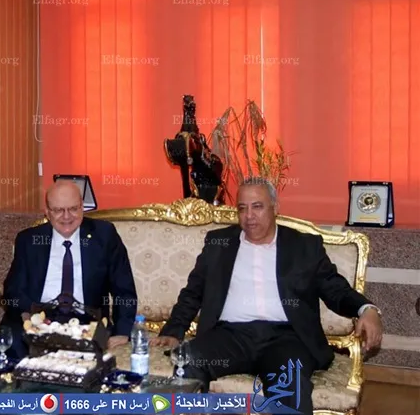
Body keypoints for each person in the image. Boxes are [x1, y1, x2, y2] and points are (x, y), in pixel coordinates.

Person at [150, 176, 383, 415]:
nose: (249, 216)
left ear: (275, 207)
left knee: (290, 382)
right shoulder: (219, 243)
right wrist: (173, 331)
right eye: (242, 208)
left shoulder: (303, 246)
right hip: (230, 336)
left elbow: (335, 289)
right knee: (188, 362)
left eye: (257, 207)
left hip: (286, 339)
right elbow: (193, 291)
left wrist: (366, 309)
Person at [0, 180, 138, 359]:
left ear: (82, 207)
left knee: (89, 357)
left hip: (86, 322)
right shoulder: (29, 240)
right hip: (38, 319)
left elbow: (123, 288)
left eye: (73, 209)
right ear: (47, 212)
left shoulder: (104, 235)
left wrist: (122, 331)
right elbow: (14, 289)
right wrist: (27, 316)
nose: (66, 217)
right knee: (11, 347)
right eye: (58, 210)